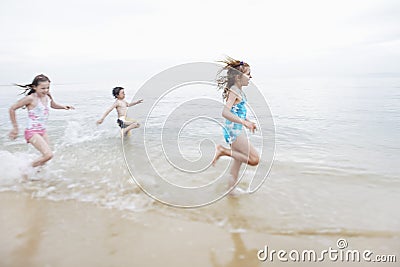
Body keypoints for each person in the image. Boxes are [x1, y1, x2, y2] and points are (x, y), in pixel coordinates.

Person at [212, 57, 260, 193]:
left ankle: (230, 191)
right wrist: (244, 123)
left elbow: (236, 111)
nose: (251, 76)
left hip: (234, 130)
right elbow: (225, 112)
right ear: (239, 77)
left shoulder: (238, 91)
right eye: (248, 74)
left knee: (237, 162)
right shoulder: (233, 91)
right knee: (254, 160)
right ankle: (223, 151)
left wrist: (247, 121)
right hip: (234, 132)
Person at [8, 74, 74, 171]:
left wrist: (63, 107)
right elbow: (12, 109)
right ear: (34, 87)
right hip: (32, 132)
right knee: (48, 155)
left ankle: (34, 176)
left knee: (45, 158)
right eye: (43, 88)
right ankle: (24, 169)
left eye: (48, 87)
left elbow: (53, 105)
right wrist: (15, 128)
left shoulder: (47, 95)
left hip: (42, 131)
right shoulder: (30, 98)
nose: (46, 90)